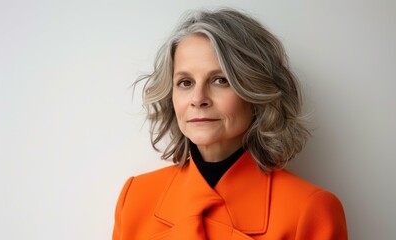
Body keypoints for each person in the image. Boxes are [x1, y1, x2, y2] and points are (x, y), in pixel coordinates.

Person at [113, 8, 348, 240]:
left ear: (255, 91)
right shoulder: (135, 198)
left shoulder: (310, 211)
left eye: (220, 80)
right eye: (185, 82)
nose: (198, 99)